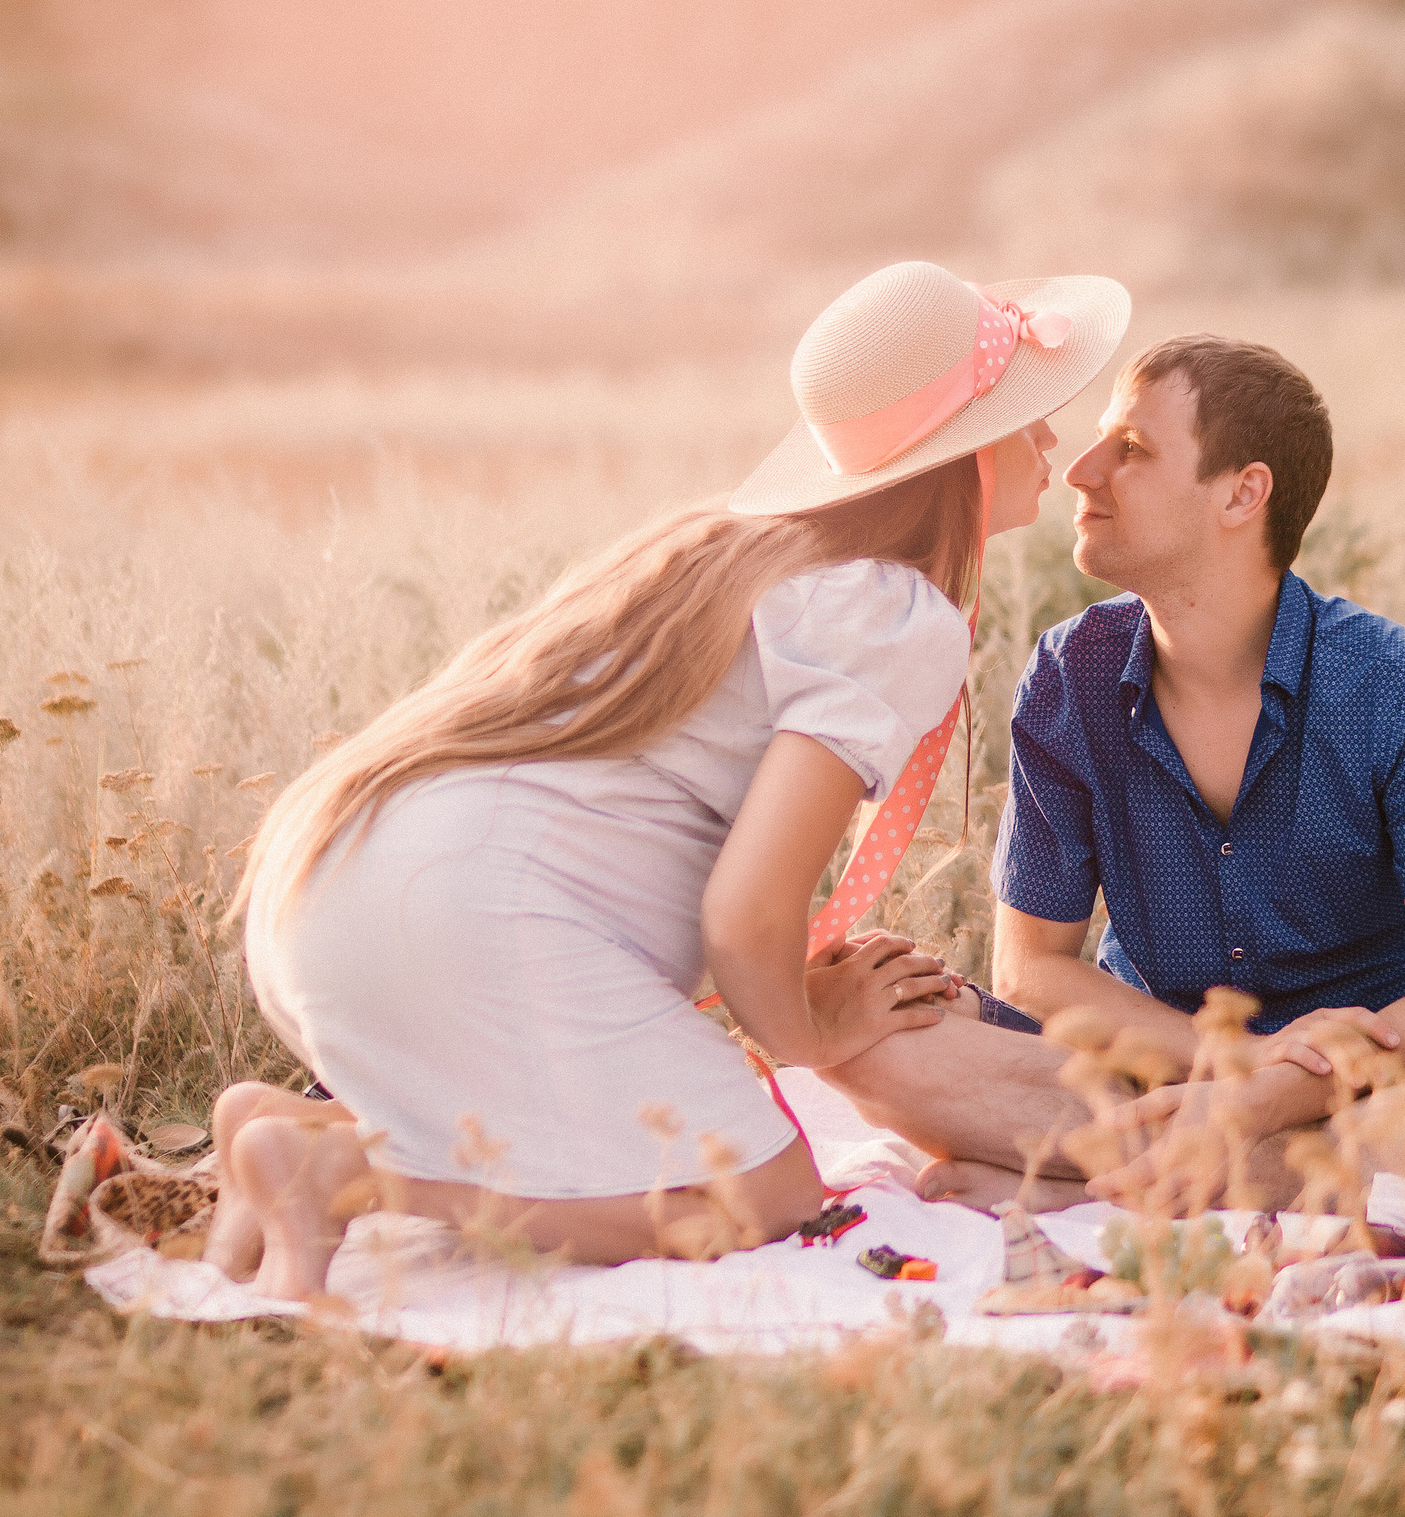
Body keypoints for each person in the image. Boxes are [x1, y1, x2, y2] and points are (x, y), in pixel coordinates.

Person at [203, 260, 1130, 1298]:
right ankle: (346, 1174)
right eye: (1023, 415)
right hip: (472, 922)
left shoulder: (728, 552)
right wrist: (809, 1030)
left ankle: (283, 1130)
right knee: (766, 1193)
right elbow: (746, 911)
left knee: (583, 1135)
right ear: (961, 457)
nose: (1052, 440)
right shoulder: (885, 612)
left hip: (325, 894)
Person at [824, 335, 1405, 1213]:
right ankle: (1244, 1177)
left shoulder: (1393, 682)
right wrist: (1231, 1063)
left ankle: (1104, 1183)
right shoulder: (1070, 674)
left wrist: (1276, 1090)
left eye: (1131, 449)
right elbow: (1030, 970)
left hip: (1352, 1085)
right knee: (866, 1028)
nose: (1080, 471)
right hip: (1155, 1070)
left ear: (1242, 493)